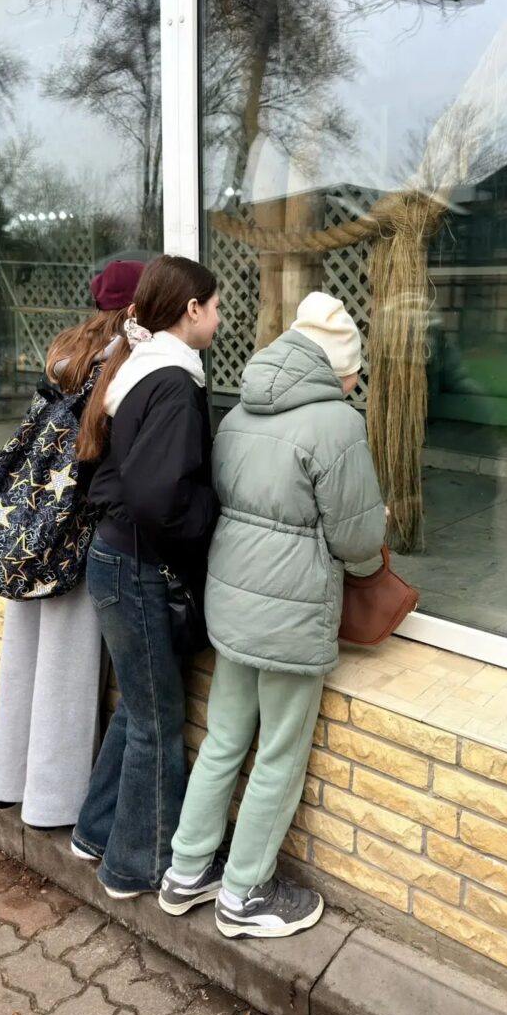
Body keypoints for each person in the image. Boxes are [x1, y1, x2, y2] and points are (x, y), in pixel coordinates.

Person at [159, 291, 386, 938]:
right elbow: (357, 540)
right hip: (290, 618)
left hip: (233, 604)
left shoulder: (239, 408)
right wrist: (374, 554)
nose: (354, 383)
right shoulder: (337, 425)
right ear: (335, 367)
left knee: (223, 741)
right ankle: (244, 893)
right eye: (353, 372)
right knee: (279, 754)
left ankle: (186, 870)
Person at [71, 255, 221, 900]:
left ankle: (96, 831)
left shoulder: (137, 367)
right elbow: (161, 497)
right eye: (216, 306)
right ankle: (137, 864)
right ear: (191, 309)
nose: (219, 317)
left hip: (114, 556)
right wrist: (210, 517)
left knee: (138, 708)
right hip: (136, 565)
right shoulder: (174, 381)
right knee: (158, 721)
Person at [0, 259, 144, 828]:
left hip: (32, 528)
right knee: (66, 668)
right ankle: (54, 801)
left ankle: (6, 780)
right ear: (135, 306)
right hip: (76, 534)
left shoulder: (66, 350)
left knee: (23, 657)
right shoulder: (124, 361)